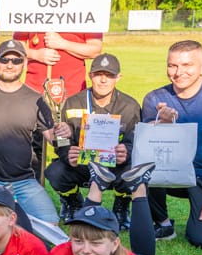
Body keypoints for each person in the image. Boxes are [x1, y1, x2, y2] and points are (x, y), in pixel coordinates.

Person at [0, 40, 70, 225]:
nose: (9, 64)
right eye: (4, 59)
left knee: (50, 223)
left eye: (16, 60)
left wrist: (62, 133)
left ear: (25, 64)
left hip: (24, 182)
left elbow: (54, 140)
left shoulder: (36, 99)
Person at [45, 53, 142, 227]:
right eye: (98, 74)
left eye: (110, 75)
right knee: (55, 171)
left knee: (133, 170)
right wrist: (68, 154)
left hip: (115, 166)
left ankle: (121, 207)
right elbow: (60, 138)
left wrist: (126, 152)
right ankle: (73, 202)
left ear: (118, 78)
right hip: (83, 165)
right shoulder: (73, 102)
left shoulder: (130, 105)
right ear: (90, 75)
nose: (103, 80)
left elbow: (135, 140)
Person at [141, 40, 202, 247]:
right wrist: (160, 122)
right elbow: (145, 148)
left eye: (187, 65)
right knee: (142, 171)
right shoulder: (155, 98)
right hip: (172, 173)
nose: (178, 72)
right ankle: (162, 222)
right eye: (172, 65)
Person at [14, 0, 103, 98]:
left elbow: (95, 50)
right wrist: (36, 54)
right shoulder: (30, 5)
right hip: (33, 90)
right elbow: (15, 47)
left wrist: (63, 44)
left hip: (73, 91)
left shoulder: (87, 6)